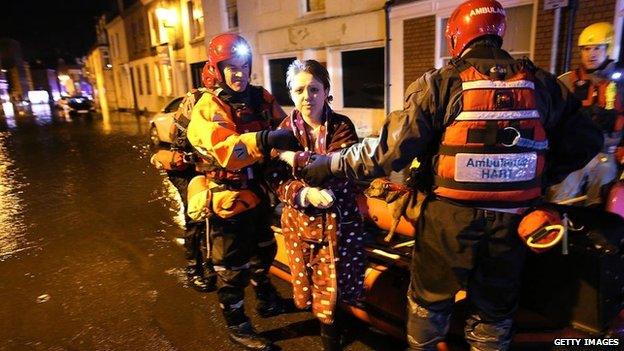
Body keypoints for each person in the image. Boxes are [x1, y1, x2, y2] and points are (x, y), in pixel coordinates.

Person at [290, 1, 603, 349]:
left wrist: (330, 164)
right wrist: (537, 176)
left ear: (456, 36)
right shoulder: (542, 84)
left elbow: (387, 151)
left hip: (447, 223)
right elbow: (587, 140)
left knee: (428, 308)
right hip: (512, 224)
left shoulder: (441, 84)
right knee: (494, 317)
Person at [185, 33, 297, 351]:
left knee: (264, 248)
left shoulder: (261, 98)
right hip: (228, 196)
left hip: (259, 192)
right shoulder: (210, 105)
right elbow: (226, 149)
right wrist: (265, 141)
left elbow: (286, 125)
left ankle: (265, 299)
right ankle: (237, 324)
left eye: (243, 66)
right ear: (218, 70)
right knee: (230, 266)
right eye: (231, 68)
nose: (238, 74)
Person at [266, 59, 367, 351]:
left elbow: (340, 169)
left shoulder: (341, 126)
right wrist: (302, 193)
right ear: (290, 94)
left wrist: (293, 159)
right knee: (313, 284)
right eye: (299, 90)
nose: (307, 96)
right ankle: (329, 334)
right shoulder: (283, 130)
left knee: (337, 284)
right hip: (300, 223)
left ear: (326, 91)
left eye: (314, 89)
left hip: (340, 222)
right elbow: (275, 177)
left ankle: (332, 336)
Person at [548, 22, 624, 206]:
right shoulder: (566, 81)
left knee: (603, 182)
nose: (591, 54)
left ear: (609, 48)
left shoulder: (621, 84)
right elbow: (551, 117)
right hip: (573, 151)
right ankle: (560, 225)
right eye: (586, 49)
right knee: (561, 189)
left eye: (597, 48)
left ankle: (595, 226)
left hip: (607, 152)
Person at [150, 88, 217, 293]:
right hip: (187, 169)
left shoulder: (239, 99)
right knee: (196, 213)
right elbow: (178, 141)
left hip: (216, 167)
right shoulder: (196, 99)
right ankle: (194, 267)